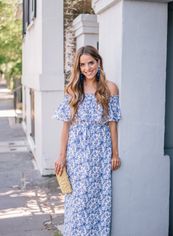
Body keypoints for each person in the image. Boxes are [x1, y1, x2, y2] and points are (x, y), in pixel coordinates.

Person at [54, 45, 121, 236]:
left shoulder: (110, 88)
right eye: (82, 64)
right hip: (76, 154)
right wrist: (61, 157)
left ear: (98, 62)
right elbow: (65, 126)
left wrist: (115, 154)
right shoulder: (73, 90)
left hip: (100, 154)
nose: (87, 68)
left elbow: (112, 124)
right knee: (77, 202)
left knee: (98, 202)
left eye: (90, 63)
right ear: (78, 67)